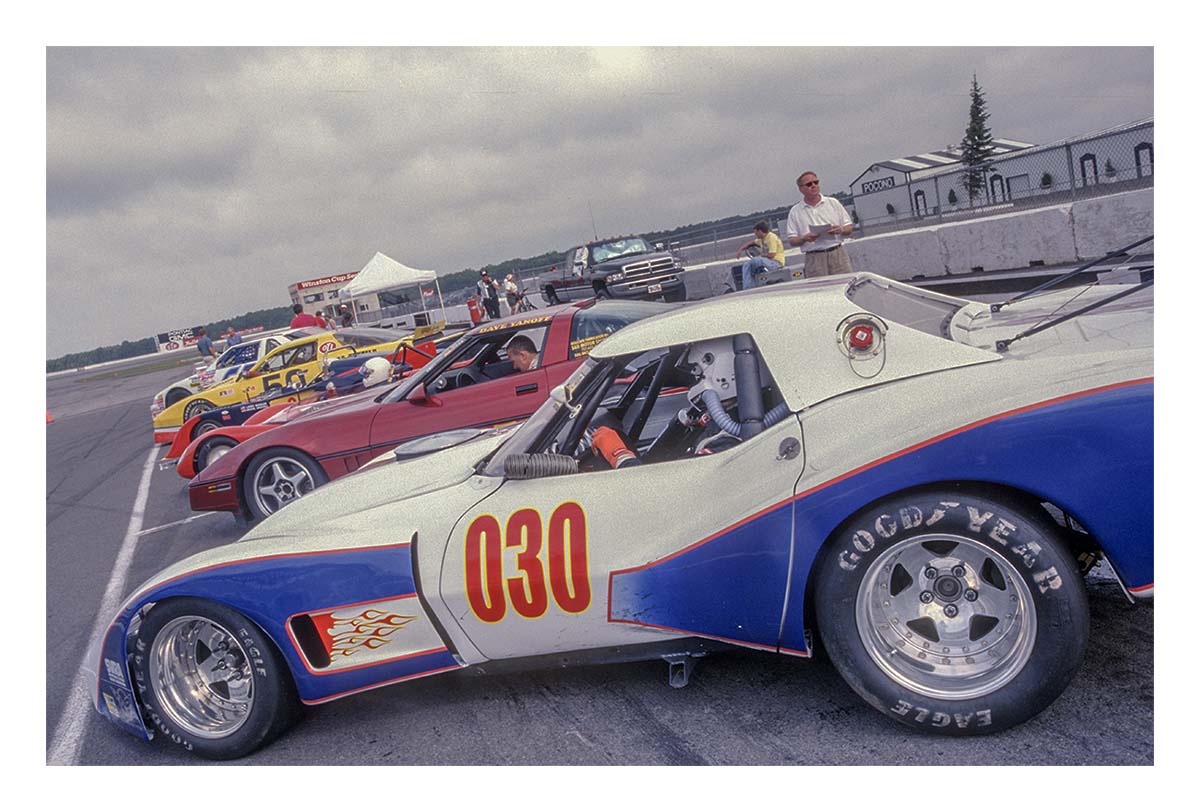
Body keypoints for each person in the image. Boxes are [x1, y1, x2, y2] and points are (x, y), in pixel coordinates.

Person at [785, 171, 854, 278]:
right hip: (814, 258)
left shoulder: (833, 203)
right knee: (819, 290)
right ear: (801, 189)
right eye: (809, 184)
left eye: (816, 182)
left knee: (845, 284)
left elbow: (849, 227)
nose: (813, 186)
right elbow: (792, 240)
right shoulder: (795, 211)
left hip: (837, 253)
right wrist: (804, 238)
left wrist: (840, 230)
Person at [734, 220, 787, 290]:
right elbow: (751, 243)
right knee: (747, 264)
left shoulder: (771, 238)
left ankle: (749, 286)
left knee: (755, 260)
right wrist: (740, 250)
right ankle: (749, 286)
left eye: (756, 233)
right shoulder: (762, 239)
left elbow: (772, 254)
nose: (755, 235)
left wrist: (761, 256)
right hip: (768, 262)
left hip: (776, 263)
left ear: (760, 231)